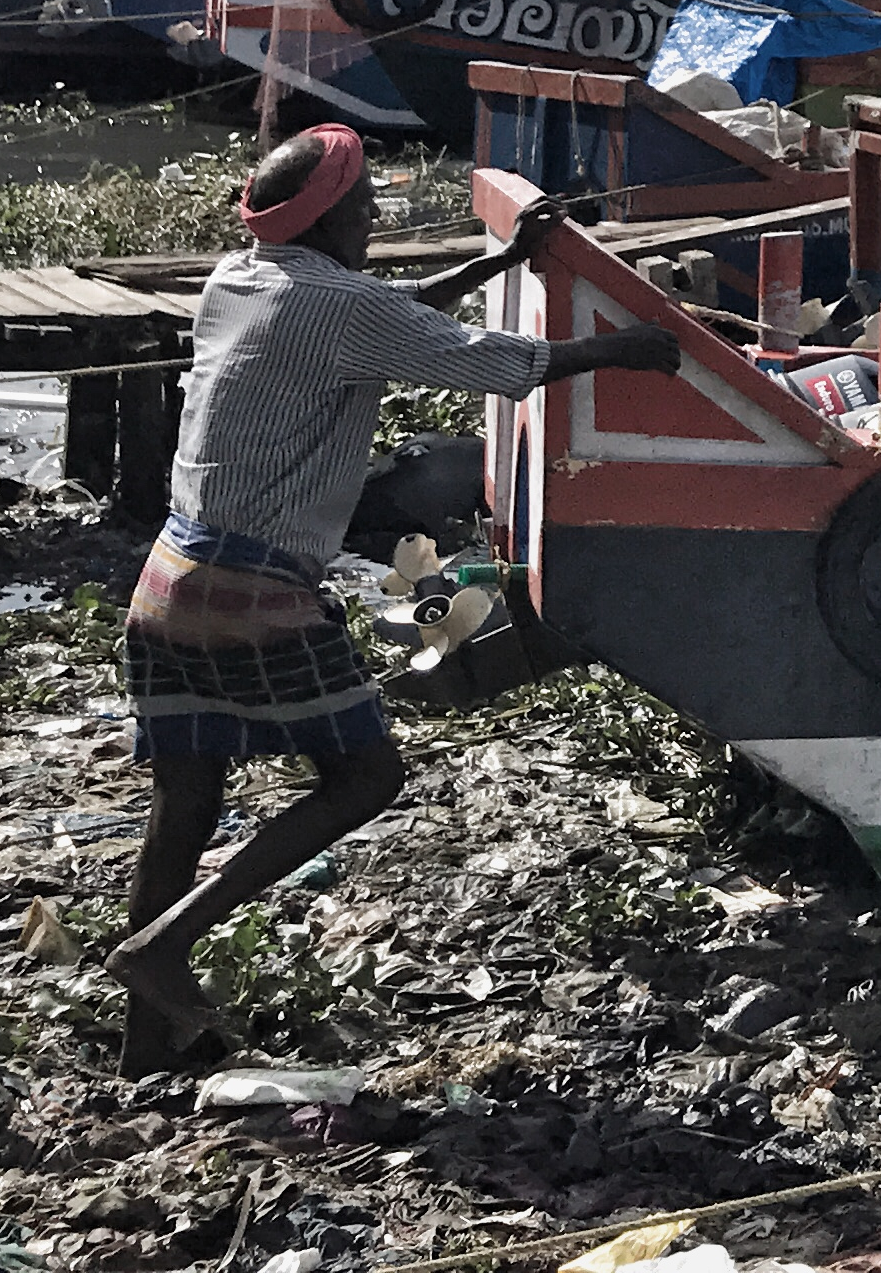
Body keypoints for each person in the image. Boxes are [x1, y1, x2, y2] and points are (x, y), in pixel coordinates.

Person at [107, 127, 679, 1068]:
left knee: (186, 808)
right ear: (331, 219)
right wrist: (625, 351)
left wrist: (500, 258)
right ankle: (164, 944)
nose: (374, 218)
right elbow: (496, 363)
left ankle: (145, 1047)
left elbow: (392, 312)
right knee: (368, 778)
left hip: (168, 577)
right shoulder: (334, 303)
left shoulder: (237, 279)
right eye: (366, 206)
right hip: (254, 588)